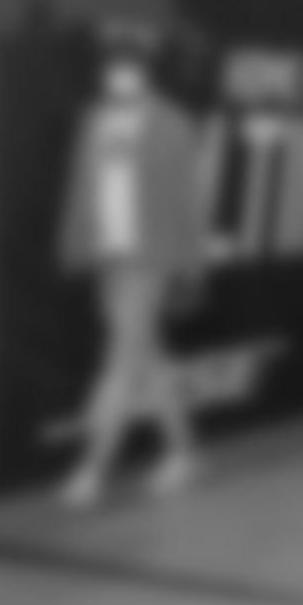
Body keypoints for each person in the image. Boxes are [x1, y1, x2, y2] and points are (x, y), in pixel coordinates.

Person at [55, 27, 210, 509]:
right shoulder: (95, 120)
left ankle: (91, 467)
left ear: (145, 72)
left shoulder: (174, 125)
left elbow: (189, 202)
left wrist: (193, 269)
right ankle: (185, 453)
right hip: (109, 255)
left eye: (128, 67)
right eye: (111, 67)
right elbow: (81, 187)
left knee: (120, 361)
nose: (118, 75)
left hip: (152, 256)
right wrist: (72, 244)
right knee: (147, 356)